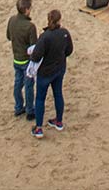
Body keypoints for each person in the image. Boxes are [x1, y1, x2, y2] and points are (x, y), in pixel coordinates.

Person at [29, 9, 73, 139]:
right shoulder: (64, 33)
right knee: (58, 93)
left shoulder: (45, 37)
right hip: (59, 69)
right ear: (59, 20)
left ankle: (38, 128)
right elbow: (69, 50)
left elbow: (36, 56)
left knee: (40, 98)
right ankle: (59, 121)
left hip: (45, 73)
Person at [7, 0, 38, 121]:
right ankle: (30, 110)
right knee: (29, 86)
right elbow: (33, 48)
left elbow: (9, 36)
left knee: (18, 83)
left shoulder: (11, 20)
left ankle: (18, 107)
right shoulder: (30, 26)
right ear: (26, 10)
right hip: (26, 60)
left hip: (16, 58)